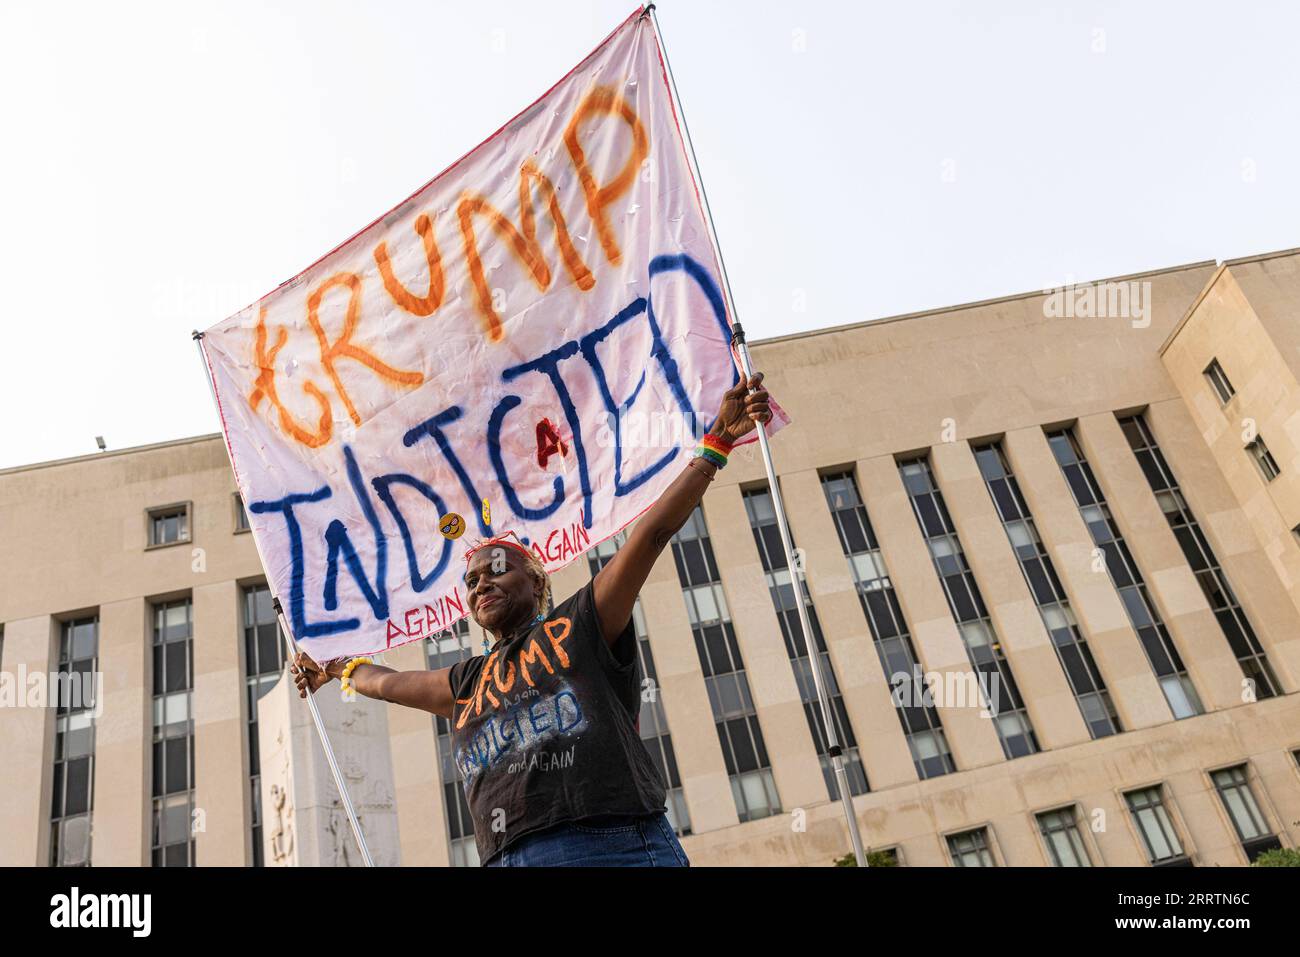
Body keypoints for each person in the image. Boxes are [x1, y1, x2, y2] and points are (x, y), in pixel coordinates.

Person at [292, 371, 771, 866]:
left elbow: (649, 536)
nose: (481, 583)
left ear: (537, 582)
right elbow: (385, 682)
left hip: (610, 846)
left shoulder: (583, 624)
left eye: (496, 569)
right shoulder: (465, 682)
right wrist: (333, 668)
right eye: (472, 581)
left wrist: (716, 445)